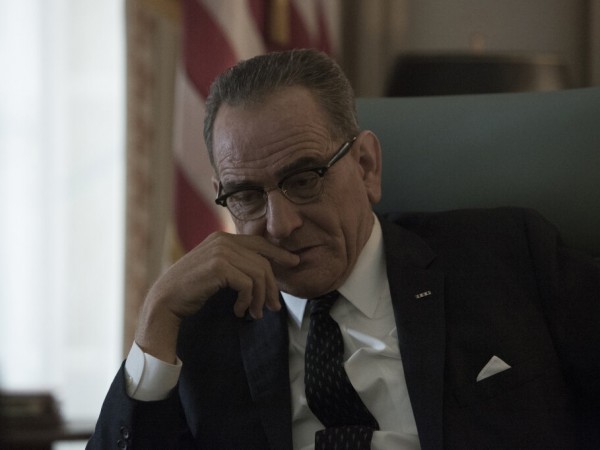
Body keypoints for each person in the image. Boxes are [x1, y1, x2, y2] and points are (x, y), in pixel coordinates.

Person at [87, 49, 600, 450]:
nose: (280, 225)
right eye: (247, 196)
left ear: (366, 166)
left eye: (304, 179)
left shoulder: (506, 256)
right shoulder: (202, 328)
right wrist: (155, 316)